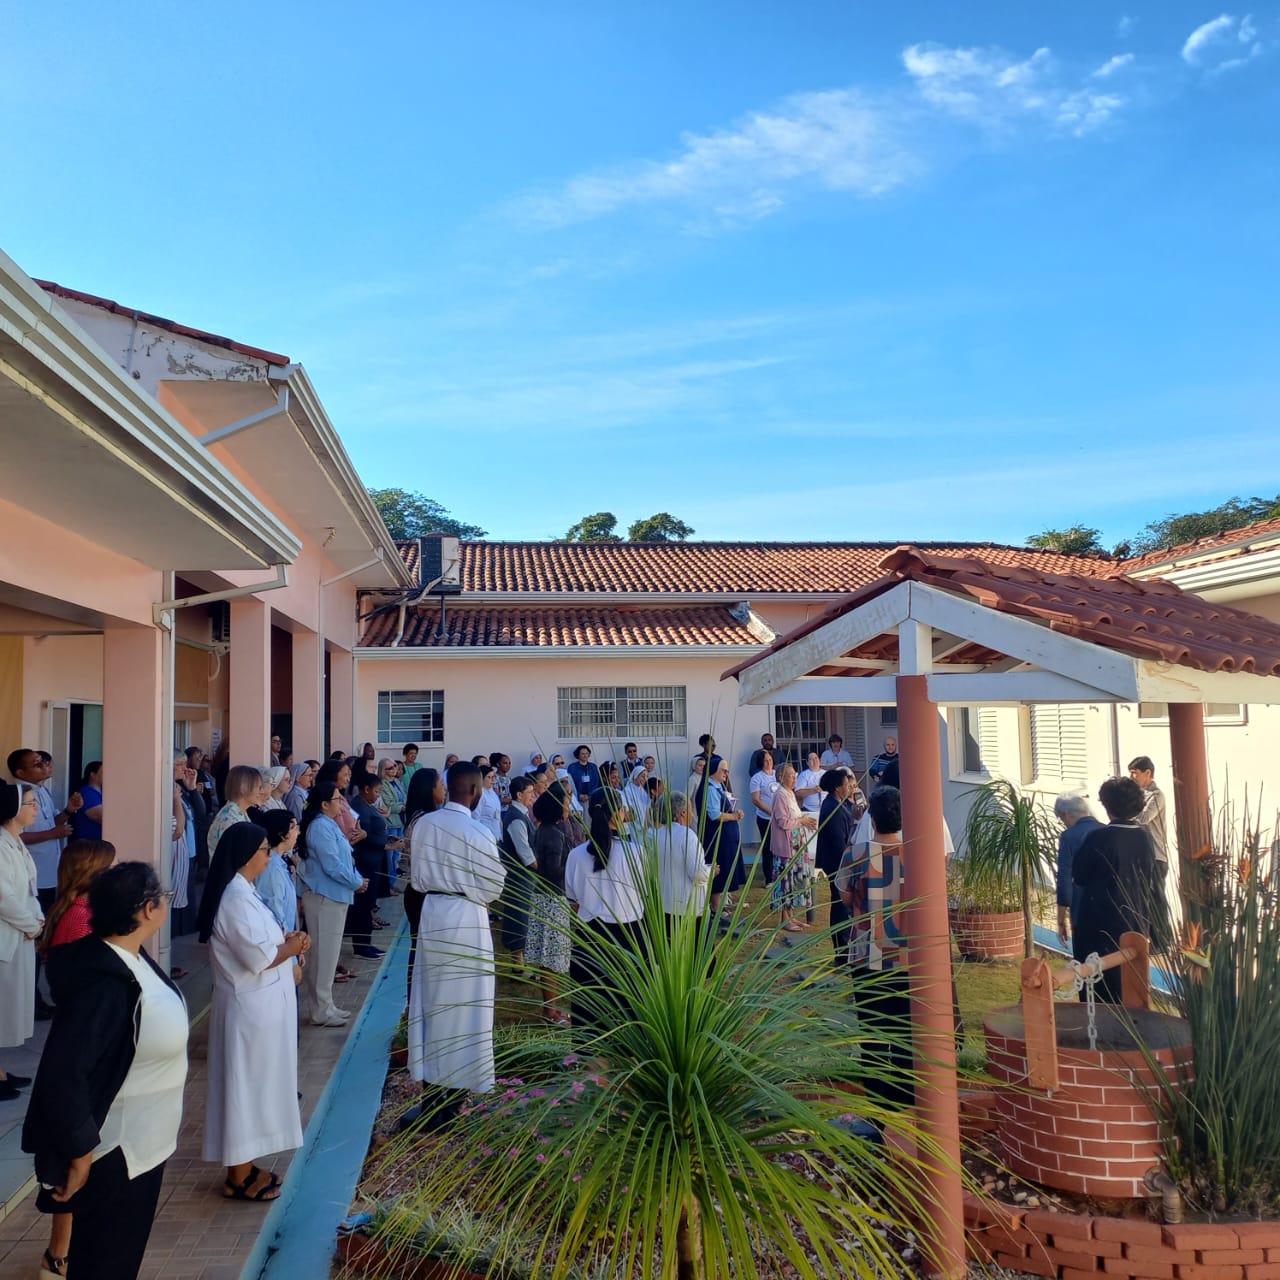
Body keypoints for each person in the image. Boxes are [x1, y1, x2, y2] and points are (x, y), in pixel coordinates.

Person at [22, 863, 187, 1280]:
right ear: (147, 909)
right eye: (163, 897)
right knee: (105, 1265)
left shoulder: (131, 959)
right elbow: (65, 1073)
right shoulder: (105, 982)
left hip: (146, 1145)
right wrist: (81, 1152)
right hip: (117, 1151)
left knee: (119, 1261)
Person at [198, 823, 308, 1200]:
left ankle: (244, 1166)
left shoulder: (246, 891)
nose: (268, 855)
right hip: (249, 1012)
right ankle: (238, 1174)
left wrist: (289, 940)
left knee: (257, 1088)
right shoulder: (234, 898)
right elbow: (257, 957)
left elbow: (264, 940)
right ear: (246, 856)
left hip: (263, 1008)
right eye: (263, 849)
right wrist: (292, 948)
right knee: (244, 1090)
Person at [405, 762, 505, 1131]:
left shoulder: (425, 825)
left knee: (433, 1002)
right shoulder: (478, 832)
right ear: (475, 791)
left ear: (449, 787)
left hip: (433, 913)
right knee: (466, 1004)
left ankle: (434, 1098)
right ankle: (453, 1097)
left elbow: (416, 878)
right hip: (467, 918)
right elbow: (494, 887)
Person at [34, 838, 116, 1277]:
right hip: (81, 1042)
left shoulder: (77, 911)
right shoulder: (82, 917)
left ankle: (65, 1248)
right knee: (71, 1156)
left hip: (82, 1035)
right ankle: (58, 1253)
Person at [836, 785, 912, 1110]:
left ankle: (879, 1107)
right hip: (908, 957)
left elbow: (844, 896)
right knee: (907, 1032)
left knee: (873, 1031)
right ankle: (907, 1101)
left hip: (866, 955)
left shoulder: (855, 854)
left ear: (872, 819)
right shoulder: (917, 854)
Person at [565, 788, 645, 1036]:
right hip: (628, 936)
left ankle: (591, 1059)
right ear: (619, 813)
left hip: (590, 936)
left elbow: (573, 901)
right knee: (627, 1008)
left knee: (590, 1009)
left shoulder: (576, 855)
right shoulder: (636, 853)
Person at [1072, 777, 1159, 1002]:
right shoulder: (1145, 837)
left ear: (1107, 805)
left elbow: (1079, 875)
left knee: (1098, 983)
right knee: (1132, 981)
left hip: (1100, 922)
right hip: (1135, 918)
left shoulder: (1098, 838)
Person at [296, 782, 366, 1026]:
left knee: (329, 953)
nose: (342, 803)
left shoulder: (328, 824)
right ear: (324, 804)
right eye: (337, 799)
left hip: (335, 895)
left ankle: (327, 1004)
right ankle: (320, 1009)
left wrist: (356, 879)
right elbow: (333, 865)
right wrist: (356, 882)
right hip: (324, 897)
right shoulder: (319, 827)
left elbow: (344, 859)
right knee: (323, 955)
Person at [0, 781, 42, 1099]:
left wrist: (37, 920)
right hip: (8, 936)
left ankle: (0, 1069)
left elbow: (29, 889)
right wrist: (31, 924)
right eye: (30, 803)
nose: (36, 808)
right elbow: (4, 897)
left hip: (22, 934)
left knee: (10, 1009)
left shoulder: (16, 842)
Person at [526, 785, 573, 1024]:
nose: (568, 808)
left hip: (543, 897)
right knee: (551, 958)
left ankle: (551, 1008)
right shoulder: (554, 833)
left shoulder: (543, 829)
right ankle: (550, 1011)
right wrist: (573, 864)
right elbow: (554, 870)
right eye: (566, 803)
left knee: (549, 957)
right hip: (553, 899)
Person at [402, 768, 446, 990]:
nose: (444, 789)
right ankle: (416, 997)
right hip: (421, 892)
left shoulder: (423, 818)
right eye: (440, 785)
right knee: (421, 949)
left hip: (419, 890)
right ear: (429, 790)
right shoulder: (424, 821)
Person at [692, 756, 745, 918]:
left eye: (727, 771)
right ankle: (715, 904)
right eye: (723, 770)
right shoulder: (709, 788)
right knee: (719, 867)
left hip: (725, 836)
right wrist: (734, 816)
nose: (726, 774)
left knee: (726, 867)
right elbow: (714, 814)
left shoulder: (719, 786)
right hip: (717, 836)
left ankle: (721, 900)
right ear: (714, 770)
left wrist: (735, 813)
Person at [348, 774, 392, 959]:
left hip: (372, 861)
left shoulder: (366, 805)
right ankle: (361, 945)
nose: (378, 795)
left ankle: (366, 942)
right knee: (363, 905)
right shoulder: (359, 807)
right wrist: (383, 843)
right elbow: (363, 837)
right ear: (366, 789)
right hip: (364, 862)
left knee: (368, 904)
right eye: (376, 791)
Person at [1053, 795, 1103, 958]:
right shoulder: (1106, 830)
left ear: (1067, 814)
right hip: (1107, 901)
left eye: (1062, 819)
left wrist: (1061, 918)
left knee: (1084, 955)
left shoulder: (1069, 836)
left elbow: (1065, 877)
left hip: (1081, 902)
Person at [770, 763, 818, 932]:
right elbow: (783, 822)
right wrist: (802, 821)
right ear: (781, 777)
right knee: (786, 882)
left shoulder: (790, 793)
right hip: (786, 846)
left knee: (795, 881)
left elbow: (795, 816)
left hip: (797, 844)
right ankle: (784, 919)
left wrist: (805, 820)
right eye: (791, 776)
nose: (794, 779)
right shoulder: (780, 795)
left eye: (795, 775)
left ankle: (791, 916)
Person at [652, 792, 710, 930]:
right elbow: (697, 874)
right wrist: (710, 871)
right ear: (683, 813)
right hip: (687, 907)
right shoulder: (687, 835)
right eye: (691, 810)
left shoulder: (656, 835)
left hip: (665, 904)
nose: (693, 815)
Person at [816, 770, 857, 965]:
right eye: (846, 784)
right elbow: (839, 843)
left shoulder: (837, 804)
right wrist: (849, 863)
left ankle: (843, 950)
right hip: (838, 864)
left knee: (841, 906)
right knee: (840, 906)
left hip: (838, 863)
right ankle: (841, 953)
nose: (849, 787)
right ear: (837, 788)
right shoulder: (832, 809)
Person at [498, 775, 538, 964]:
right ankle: (518, 964)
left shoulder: (521, 814)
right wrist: (541, 868)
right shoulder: (515, 818)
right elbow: (525, 853)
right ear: (519, 795)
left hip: (526, 876)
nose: (532, 795)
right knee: (520, 917)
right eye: (529, 792)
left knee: (526, 917)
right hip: (520, 876)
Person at [249, 809, 300, 934]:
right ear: (282, 834)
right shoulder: (271, 867)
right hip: (278, 939)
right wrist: (287, 938)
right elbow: (274, 908)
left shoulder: (279, 862)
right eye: (293, 828)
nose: (298, 832)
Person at [207, 765, 266, 861]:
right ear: (243, 787)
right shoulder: (230, 819)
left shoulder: (239, 812)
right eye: (259, 787)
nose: (262, 791)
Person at [1127, 756, 1169, 878]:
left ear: (1147, 773)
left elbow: (1144, 818)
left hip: (1156, 856)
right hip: (1139, 855)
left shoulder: (1156, 795)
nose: (1131, 777)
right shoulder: (1137, 794)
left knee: (1154, 890)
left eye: (1135, 773)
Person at [749, 750, 779, 884]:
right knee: (768, 848)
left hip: (780, 817)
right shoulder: (757, 778)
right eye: (766, 761)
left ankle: (780, 874)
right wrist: (771, 812)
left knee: (780, 846)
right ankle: (769, 878)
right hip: (765, 818)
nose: (768, 763)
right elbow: (756, 799)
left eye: (770, 760)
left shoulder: (778, 775)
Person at [70, 763, 104, 843]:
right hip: (89, 843)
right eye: (103, 772)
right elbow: (100, 816)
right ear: (93, 775)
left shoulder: (100, 792)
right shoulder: (87, 792)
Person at [475, 764, 503, 841]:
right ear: (481, 778)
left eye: (493, 777)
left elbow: (498, 817)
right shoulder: (480, 794)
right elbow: (476, 817)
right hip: (485, 836)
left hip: (496, 836)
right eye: (489, 777)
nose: (493, 780)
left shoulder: (493, 793)